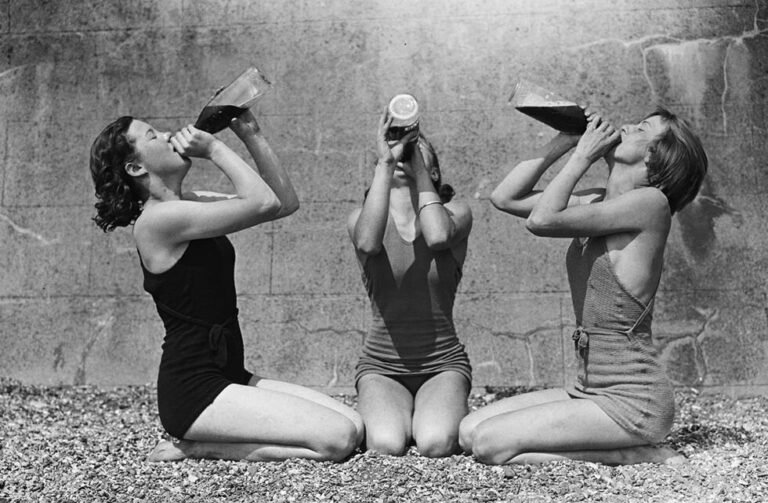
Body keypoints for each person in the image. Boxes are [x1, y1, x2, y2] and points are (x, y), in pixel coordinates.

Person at [90, 110, 363, 462]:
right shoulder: (157, 221)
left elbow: (282, 204)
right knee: (337, 440)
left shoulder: (190, 202)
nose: (170, 133)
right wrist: (215, 149)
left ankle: (207, 441)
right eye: (153, 135)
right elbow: (261, 202)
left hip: (230, 374)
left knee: (355, 424)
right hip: (194, 393)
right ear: (135, 168)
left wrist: (251, 134)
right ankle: (199, 447)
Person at [459, 107, 707, 465]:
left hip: (633, 401)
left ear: (655, 157)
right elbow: (505, 198)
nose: (625, 125)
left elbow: (543, 220)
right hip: (587, 390)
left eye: (641, 128)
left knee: (488, 445)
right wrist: (566, 139)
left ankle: (629, 453)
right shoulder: (598, 201)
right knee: (468, 431)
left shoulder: (651, 205)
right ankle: (612, 446)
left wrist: (582, 156)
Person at [347, 111, 473, 457]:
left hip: (442, 363)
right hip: (381, 365)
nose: (402, 152)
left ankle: (431, 412)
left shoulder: (456, 213)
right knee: (386, 444)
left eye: (414, 150)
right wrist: (385, 164)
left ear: (433, 171)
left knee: (435, 442)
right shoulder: (361, 219)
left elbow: (436, 236)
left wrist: (418, 169)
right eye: (395, 149)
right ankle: (404, 412)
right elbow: (369, 244)